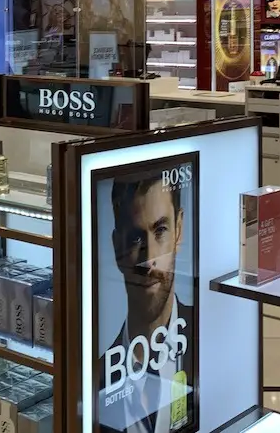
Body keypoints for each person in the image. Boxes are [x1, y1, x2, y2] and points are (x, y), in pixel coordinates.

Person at [99, 168, 195, 433]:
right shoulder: (96, 378)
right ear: (117, 246)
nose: (149, 259)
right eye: (135, 238)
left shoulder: (209, 335)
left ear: (179, 230)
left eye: (160, 230)